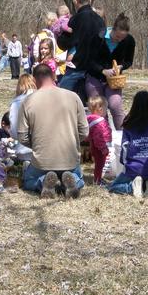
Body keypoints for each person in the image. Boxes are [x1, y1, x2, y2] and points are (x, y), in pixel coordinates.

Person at [17, 64, 88, 199]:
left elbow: (22, 136)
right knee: (79, 177)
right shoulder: (73, 97)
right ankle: (73, 180)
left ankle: (43, 181)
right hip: (69, 158)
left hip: (42, 160)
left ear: (35, 80)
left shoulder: (28, 101)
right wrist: (73, 140)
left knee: (28, 180)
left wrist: (38, 144)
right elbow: (84, 131)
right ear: (54, 76)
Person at [108, 91, 148, 198]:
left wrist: (126, 163)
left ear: (134, 106)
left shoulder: (129, 123)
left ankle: (132, 187)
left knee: (113, 187)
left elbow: (124, 147)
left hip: (134, 168)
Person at [85, 13, 135, 130]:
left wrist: (120, 67)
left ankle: (122, 135)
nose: (119, 40)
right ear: (113, 29)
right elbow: (89, 61)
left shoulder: (129, 41)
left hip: (114, 80)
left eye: (122, 38)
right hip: (95, 78)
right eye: (117, 37)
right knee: (99, 108)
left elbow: (129, 61)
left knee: (115, 105)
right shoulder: (97, 37)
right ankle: (103, 136)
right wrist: (103, 71)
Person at [58, 0, 106, 95]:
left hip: (77, 66)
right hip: (94, 69)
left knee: (61, 95)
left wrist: (60, 35)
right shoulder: (100, 21)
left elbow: (64, 43)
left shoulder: (76, 19)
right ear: (89, 0)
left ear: (76, 1)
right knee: (95, 103)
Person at [86, 96, 112, 185]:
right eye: (105, 109)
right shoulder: (100, 122)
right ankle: (97, 181)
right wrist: (103, 148)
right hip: (99, 148)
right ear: (100, 109)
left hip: (94, 146)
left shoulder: (90, 120)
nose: (106, 111)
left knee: (98, 164)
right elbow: (99, 137)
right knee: (100, 165)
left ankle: (98, 178)